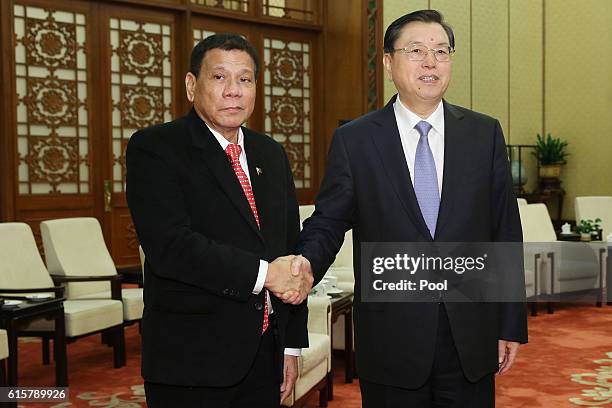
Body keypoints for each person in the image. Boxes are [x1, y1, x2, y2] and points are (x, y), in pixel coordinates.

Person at [291, 10, 527, 407]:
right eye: (416, 50)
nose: (431, 62)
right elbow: (329, 221)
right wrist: (303, 265)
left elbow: (504, 230)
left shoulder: (483, 133)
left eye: (441, 51)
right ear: (388, 62)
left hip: (470, 333)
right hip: (391, 337)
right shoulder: (356, 140)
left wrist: (510, 323)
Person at [126, 33, 313, 408]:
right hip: (192, 362)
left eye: (244, 79)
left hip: (264, 354)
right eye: (219, 77)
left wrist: (290, 345)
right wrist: (264, 275)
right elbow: (171, 247)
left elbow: (290, 249)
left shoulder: (271, 154)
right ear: (192, 85)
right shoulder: (156, 148)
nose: (233, 91)